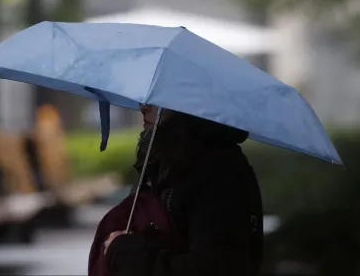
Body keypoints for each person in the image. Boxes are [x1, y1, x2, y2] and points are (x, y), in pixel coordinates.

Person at [102, 104, 264, 276]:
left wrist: (125, 251)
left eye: (159, 98)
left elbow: (210, 267)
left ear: (187, 102)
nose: (144, 106)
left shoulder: (219, 172)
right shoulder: (165, 159)